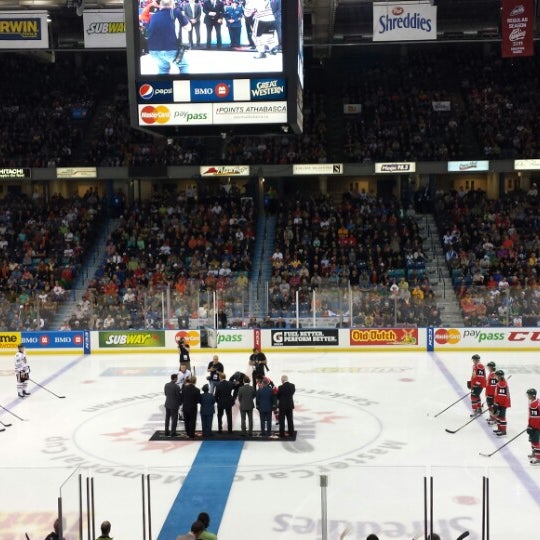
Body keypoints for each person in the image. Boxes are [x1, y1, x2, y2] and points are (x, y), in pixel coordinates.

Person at [146, 0, 191, 74]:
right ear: (172, 4)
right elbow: (188, 28)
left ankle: (163, 85)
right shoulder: (175, 12)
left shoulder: (153, 16)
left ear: (160, 5)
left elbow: (147, 31)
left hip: (153, 51)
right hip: (170, 49)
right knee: (184, 65)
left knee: (163, 68)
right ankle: (184, 84)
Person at [493, 370, 511, 437]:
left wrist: (497, 403)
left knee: (502, 417)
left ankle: (503, 431)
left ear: (499, 376)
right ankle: (499, 429)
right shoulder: (500, 383)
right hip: (499, 403)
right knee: (498, 416)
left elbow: (502, 396)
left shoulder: (502, 384)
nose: (495, 377)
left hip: (502, 404)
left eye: (496, 375)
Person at [526, 388, 540, 465]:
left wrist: (535, 425)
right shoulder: (531, 402)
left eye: (529, 394)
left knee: (536, 441)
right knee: (532, 440)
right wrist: (529, 425)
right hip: (532, 426)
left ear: (533, 395)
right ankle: (534, 453)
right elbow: (531, 416)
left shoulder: (537, 403)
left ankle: (538, 457)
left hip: (537, 427)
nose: (528, 396)